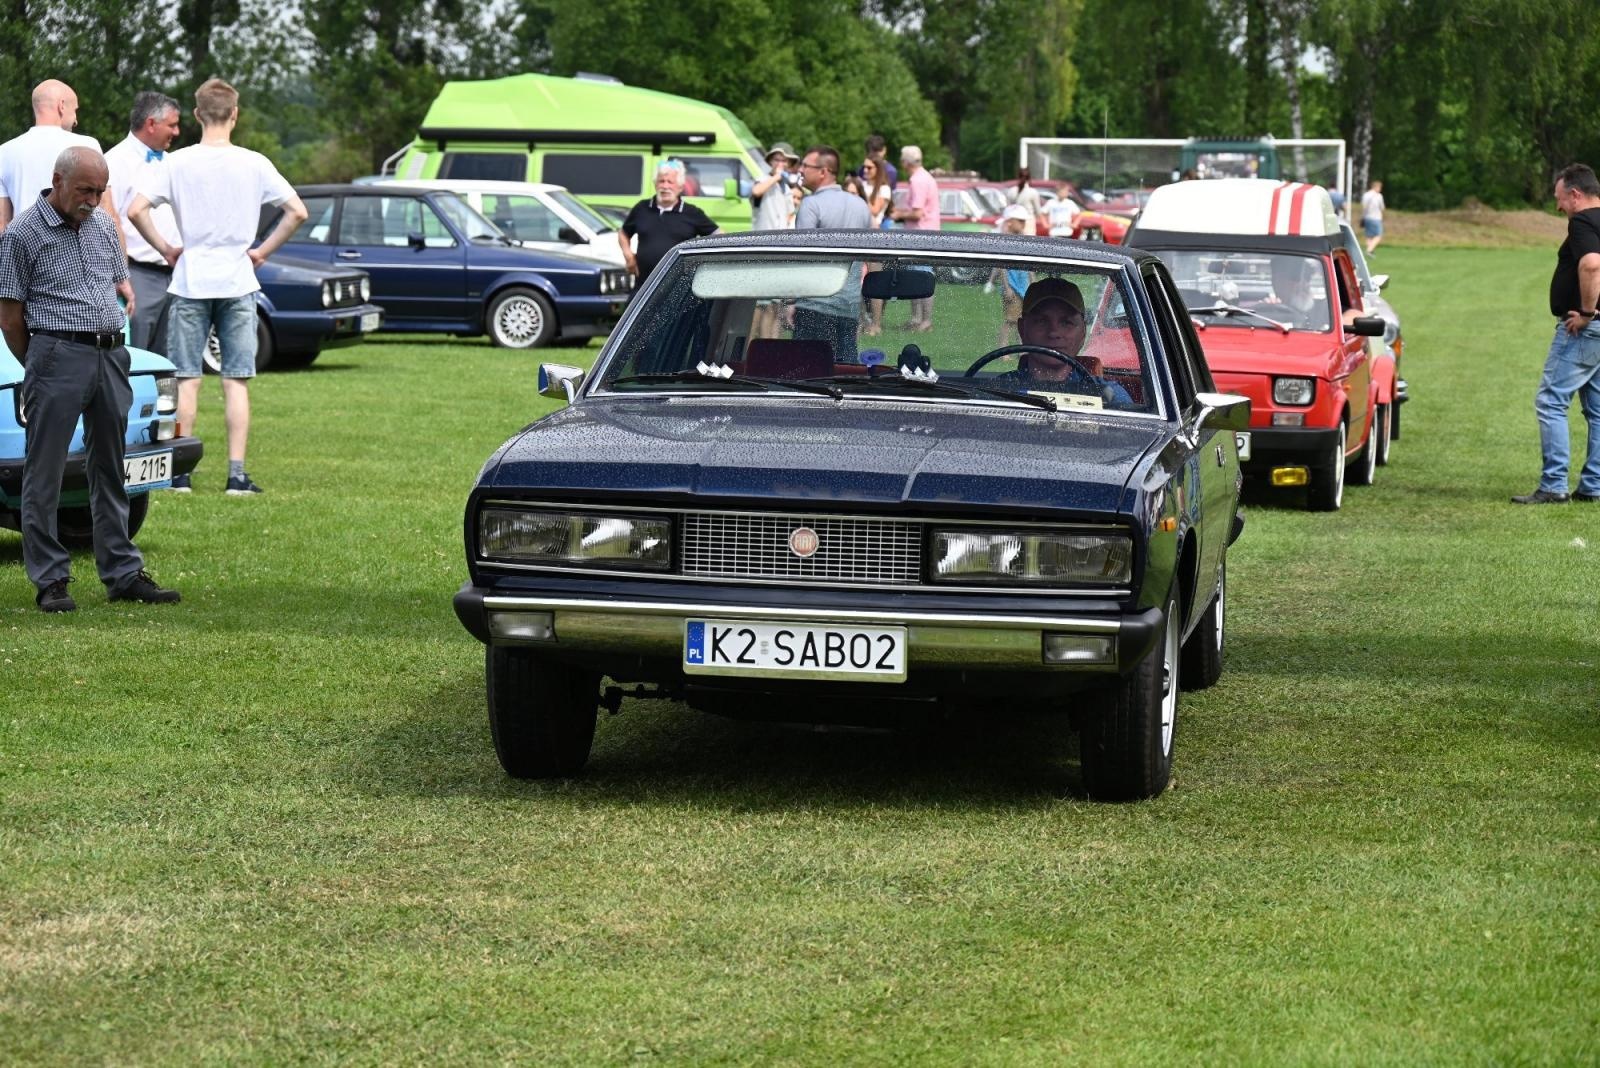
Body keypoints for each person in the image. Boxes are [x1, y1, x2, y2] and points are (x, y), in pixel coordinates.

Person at [0, 145, 180, 611]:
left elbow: (113, 286)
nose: (93, 200)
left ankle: (123, 573)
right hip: (56, 354)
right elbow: (10, 316)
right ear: (57, 181)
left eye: (100, 191)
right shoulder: (21, 233)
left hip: (110, 355)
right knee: (45, 473)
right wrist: (40, 363)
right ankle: (51, 580)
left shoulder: (102, 224)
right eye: (85, 190)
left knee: (111, 468)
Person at [125, 77, 307, 496]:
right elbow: (296, 211)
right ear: (235, 114)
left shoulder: (177, 163)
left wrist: (167, 249)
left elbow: (136, 210)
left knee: (187, 378)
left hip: (191, 280)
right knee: (235, 380)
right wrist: (261, 252)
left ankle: (180, 474)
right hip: (237, 280)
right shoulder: (254, 163)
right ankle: (236, 476)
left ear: (196, 115)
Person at [1510, 163, 1600, 505]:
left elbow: (1592, 264)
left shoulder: (1582, 222)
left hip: (1585, 330)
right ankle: (1593, 485)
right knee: (1598, 409)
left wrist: (1588, 314)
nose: (1558, 206)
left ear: (1575, 194)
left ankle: (1554, 484)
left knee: (1551, 402)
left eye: (1559, 198)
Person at [105, 91, 181, 353]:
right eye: (172, 125)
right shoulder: (114, 162)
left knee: (170, 358)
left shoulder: (172, 163)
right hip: (138, 275)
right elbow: (108, 221)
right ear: (151, 123)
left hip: (174, 275)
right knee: (136, 356)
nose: (177, 132)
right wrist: (120, 275)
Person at [992, 277, 1133, 408]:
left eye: (1066, 322)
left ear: (1083, 332)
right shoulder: (997, 391)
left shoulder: (1111, 397)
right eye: (1042, 321)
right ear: (1022, 329)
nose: (1054, 332)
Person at [792, 145, 871, 362]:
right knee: (845, 372)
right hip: (849, 306)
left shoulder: (811, 204)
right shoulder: (861, 206)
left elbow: (802, 256)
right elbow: (868, 255)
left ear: (823, 171)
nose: (800, 170)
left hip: (814, 305)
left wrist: (792, 300)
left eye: (806, 166)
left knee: (807, 372)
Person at [0, 80, 108, 235]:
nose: (76, 120)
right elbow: (104, 210)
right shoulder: (87, 147)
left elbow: (3, 222)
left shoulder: (5, 151)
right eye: (75, 110)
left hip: (25, 243)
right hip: (78, 243)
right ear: (61, 105)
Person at [619, 160, 719, 287]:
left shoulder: (692, 213)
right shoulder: (642, 208)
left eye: (670, 182)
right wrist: (628, 256)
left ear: (680, 187)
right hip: (644, 286)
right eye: (661, 181)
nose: (665, 186)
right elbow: (623, 233)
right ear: (655, 184)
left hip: (678, 288)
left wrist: (703, 261)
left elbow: (718, 235)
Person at [891, 144, 940, 331]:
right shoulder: (924, 177)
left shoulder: (917, 181)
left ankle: (924, 320)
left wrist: (898, 214)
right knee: (916, 275)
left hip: (921, 235)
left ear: (906, 162)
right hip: (924, 234)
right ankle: (917, 319)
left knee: (923, 276)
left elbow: (917, 213)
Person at [987, 205, 1033, 345]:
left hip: (1024, 287)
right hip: (1012, 287)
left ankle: (1022, 348)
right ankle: (1003, 349)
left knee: (1023, 320)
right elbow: (1002, 267)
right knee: (1010, 320)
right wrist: (1007, 287)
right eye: (1020, 221)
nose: (1023, 224)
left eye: (1024, 221)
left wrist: (1033, 283)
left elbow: (1030, 265)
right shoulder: (1005, 242)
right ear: (1010, 222)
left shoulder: (1025, 240)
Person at [750, 142, 799, 232]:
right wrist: (776, 177)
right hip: (762, 234)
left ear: (789, 163)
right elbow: (756, 191)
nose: (780, 164)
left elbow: (790, 213)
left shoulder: (786, 186)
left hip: (781, 235)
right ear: (770, 161)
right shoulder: (762, 179)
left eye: (784, 161)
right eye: (776, 160)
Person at [1360, 179, 1385, 256]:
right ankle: (1369, 250)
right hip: (1376, 218)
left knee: (1369, 236)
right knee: (1379, 235)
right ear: (1376, 187)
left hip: (1367, 217)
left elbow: (1363, 207)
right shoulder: (1379, 196)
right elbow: (1382, 208)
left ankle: (1370, 252)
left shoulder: (1366, 195)